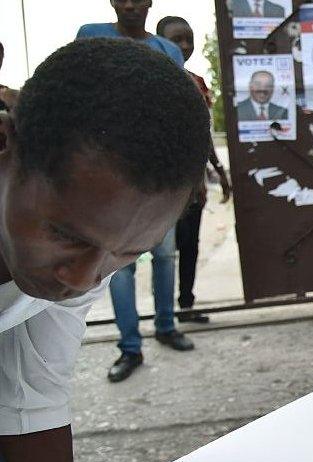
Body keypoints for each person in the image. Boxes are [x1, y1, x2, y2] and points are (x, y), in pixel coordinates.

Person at [0, 38, 210, 462]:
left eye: (126, 254)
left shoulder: (92, 251)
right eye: (66, 235)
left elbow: (31, 399)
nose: (82, 280)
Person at [77, 0, 198, 382]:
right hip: (110, 179)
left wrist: (188, 175)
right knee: (119, 266)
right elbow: (76, 96)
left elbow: (180, 111)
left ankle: (166, 327)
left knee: (164, 256)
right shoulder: (92, 37)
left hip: (158, 176)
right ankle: (130, 348)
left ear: (149, 3)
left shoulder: (167, 51)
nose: (130, 4)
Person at [157, 15, 233, 324]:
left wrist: (218, 170)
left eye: (189, 39)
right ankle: (160, 318)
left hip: (193, 183)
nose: (184, 46)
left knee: (189, 246)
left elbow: (203, 134)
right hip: (159, 185)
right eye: (177, 40)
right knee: (162, 253)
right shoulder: (152, 83)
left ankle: (184, 305)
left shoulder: (196, 83)